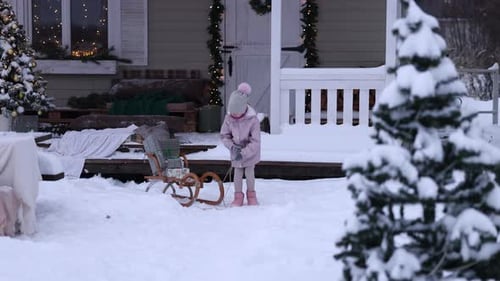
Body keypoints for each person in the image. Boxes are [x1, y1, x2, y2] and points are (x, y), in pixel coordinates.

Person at [220, 82, 261, 207]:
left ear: (244, 109)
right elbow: (224, 136)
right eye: (233, 113)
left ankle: (251, 195)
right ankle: (238, 196)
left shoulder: (252, 120)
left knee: (249, 174)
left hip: (250, 153)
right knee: (237, 174)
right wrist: (232, 147)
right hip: (236, 152)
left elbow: (256, 141)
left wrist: (243, 153)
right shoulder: (229, 118)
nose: (235, 116)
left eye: (237, 113)